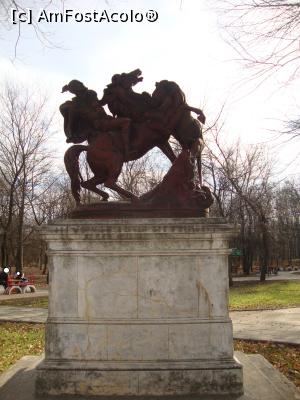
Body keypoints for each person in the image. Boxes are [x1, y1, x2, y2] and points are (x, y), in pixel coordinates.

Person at [60, 80, 131, 156]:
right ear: (78, 87)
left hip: (102, 120)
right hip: (101, 122)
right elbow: (96, 106)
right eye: (80, 84)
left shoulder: (81, 100)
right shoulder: (86, 97)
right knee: (126, 121)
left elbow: (97, 105)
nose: (82, 84)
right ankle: (127, 150)